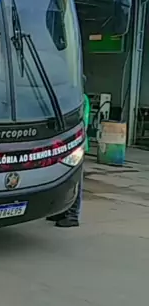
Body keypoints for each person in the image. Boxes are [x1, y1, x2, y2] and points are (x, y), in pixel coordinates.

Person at [48, 81, 90, 228]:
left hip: (75, 145)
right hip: (63, 146)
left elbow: (79, 122)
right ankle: (61, 211)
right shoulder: (68, 98)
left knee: (75, 180)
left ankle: (72, 215)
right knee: (62, 179)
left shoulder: (81, 100)